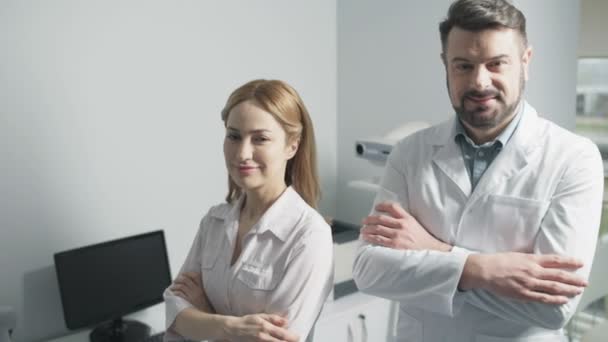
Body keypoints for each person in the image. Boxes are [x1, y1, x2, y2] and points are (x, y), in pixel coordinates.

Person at [352, 0, 604, 341]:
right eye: (463, 66)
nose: (479, 81)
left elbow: (553, 307)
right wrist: (481, 269)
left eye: (496, 63)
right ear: (446, 65)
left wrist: (438, 252)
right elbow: (370, 271)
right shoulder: (409, 153)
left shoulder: (574, 159)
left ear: (525, 62)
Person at [163, 79, 334, 342]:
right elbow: (175, 313)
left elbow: (277, 340)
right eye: (234, 136)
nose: (242, 153)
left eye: (260, 139)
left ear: (292, 145)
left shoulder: (309, 236)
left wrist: (204, 314)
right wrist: (231, 328)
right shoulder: (213, 222)